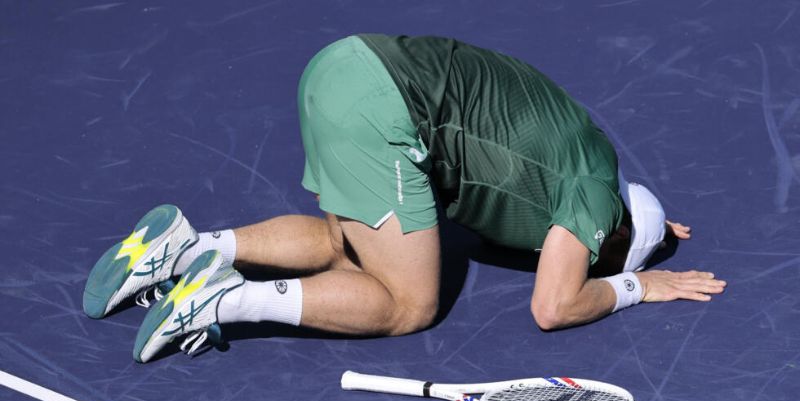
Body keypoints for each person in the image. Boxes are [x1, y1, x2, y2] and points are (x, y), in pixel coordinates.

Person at [83, 34, 726, 363]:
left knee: (345, 244)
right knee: (408, 304)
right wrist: (639, 285)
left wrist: (642, 227)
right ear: (610, 231)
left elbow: (569, 190)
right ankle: (224, 297)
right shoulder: (592, 199)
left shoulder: (587, 165)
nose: (587, 262)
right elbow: (553, 307)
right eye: (603, 258)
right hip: (384, 115)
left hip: (342, 67)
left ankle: (189, 247)